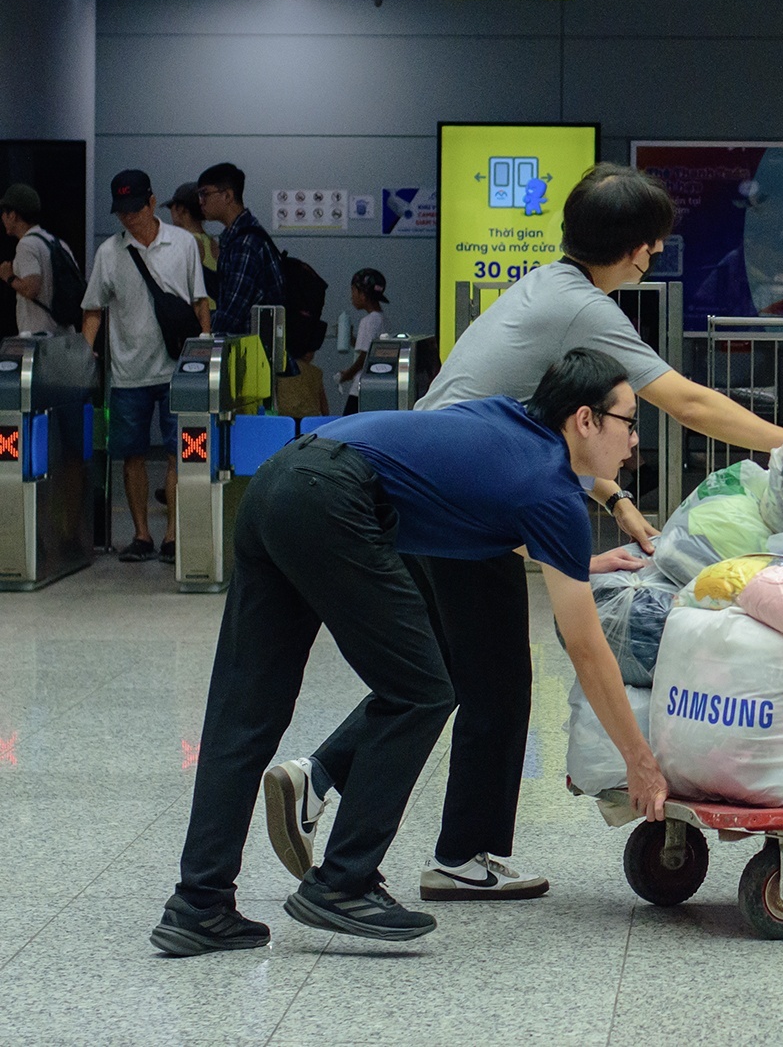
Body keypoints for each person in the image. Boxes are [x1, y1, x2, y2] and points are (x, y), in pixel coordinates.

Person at [262, 164, 783, 903]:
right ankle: (460, 854)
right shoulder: (586, 309)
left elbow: (541, 419)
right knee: (499, 686)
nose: (654, 257)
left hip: (425, 488)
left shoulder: (548, 286)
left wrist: (607, 493)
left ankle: (317, 777)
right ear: (632, 248)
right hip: (453, 498)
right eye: (652, 244)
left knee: (441, 672)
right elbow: (686, 401)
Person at [151, 349, 667, 956]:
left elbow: (474, 505)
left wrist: (576, 557)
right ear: (585, 420)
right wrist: (640, 759)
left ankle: (199, 904)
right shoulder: (549, 488)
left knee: (246, 710)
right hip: (335, 500)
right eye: (629, 422)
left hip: (280, 482)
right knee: (423, 690)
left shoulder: (505, 422)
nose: (635, 442)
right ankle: (343, 881)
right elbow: (584, 645)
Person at [81, 170, 211, 564]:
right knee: (131, 455)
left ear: (153, 203)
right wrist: (87, 359)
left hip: (176, 371)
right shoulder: (109, 253)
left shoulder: (184, 244)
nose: (129, 218)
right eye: (121, 212)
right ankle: (141, 535)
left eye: (135, 209)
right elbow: (93, 312)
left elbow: (200, 302)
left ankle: (172, 536)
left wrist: (202, 354)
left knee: (179, 454)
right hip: (127, 372)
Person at [195, 163, 285, 336]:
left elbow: (232, 312)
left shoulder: (246, 244)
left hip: (257, 355)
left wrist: (199, 330)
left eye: (204, 194)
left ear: (228, 196)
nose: (201, 202)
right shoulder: (236, 238)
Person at [0, 183, 78, 335]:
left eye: (4, 212)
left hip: (39, 336)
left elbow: (31, 288)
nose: (2, 217)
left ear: (13, 215)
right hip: (65, 334)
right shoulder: (56, 242)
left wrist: (8, 277)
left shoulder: (26, 245)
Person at [336, 268, 388, 415]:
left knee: (348, 424)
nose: (351, 297)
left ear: (363, 295)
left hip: (360, 387)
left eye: (353, 291)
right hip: (376, 385)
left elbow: (365, 355)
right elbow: (370, 348)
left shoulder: (368, 321)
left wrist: (348, 374)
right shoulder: (382, 319)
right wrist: (350, 338)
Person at [164, 181, 221, 304]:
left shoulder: (188, 242)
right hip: (215, 311)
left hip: (199, 312)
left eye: (172, 207)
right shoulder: (213, 243)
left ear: (182, 209)